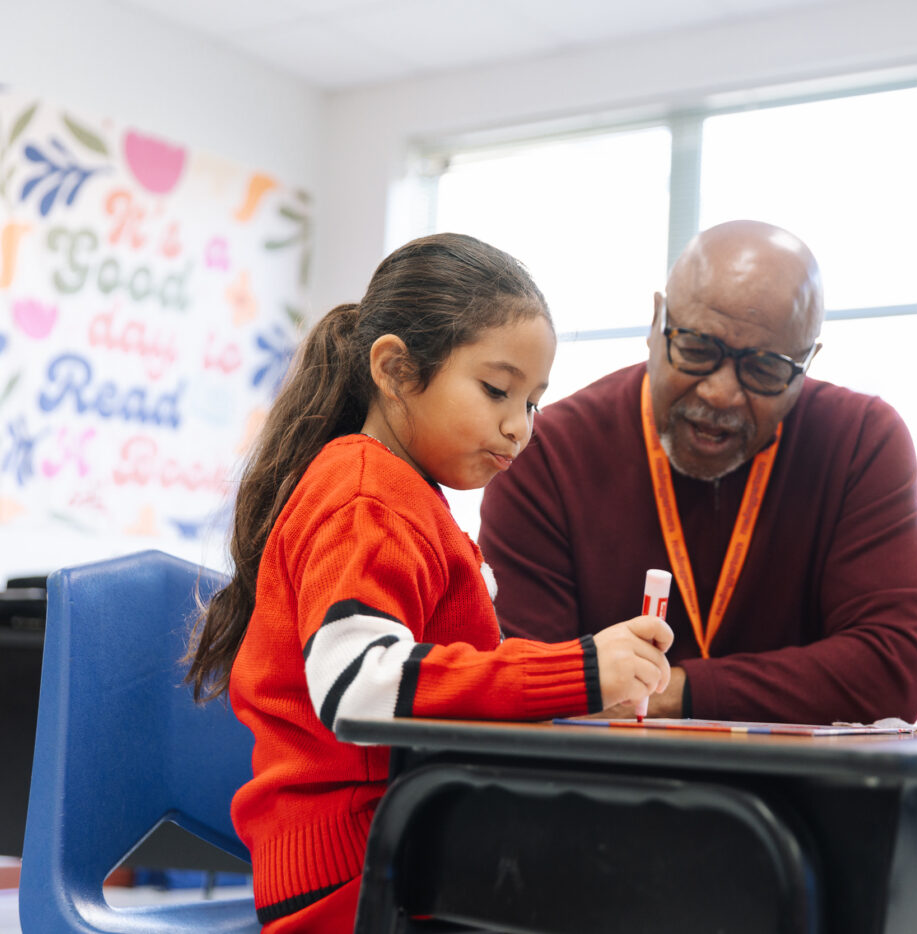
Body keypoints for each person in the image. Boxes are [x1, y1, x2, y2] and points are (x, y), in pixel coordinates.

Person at [184, 233, 673, 933]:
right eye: (497, 391)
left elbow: (440, 693)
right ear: (395, 369)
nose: (520, 429)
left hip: (400, 847)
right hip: (357, 874)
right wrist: (578, 670)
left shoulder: (404, 498)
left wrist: (583, 694)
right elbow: (360, 687)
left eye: (533, 402)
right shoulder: (365, 497)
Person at [478, 220, 917, 725]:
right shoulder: (548, 453)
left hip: (801, 792)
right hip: (605, 785)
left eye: (765, 369)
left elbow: (894, 670)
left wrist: (668, 690)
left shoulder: (859, 442)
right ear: (656, 323)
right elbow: (533, 680)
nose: (720, 393)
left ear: (806, 363)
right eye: (697, 349)